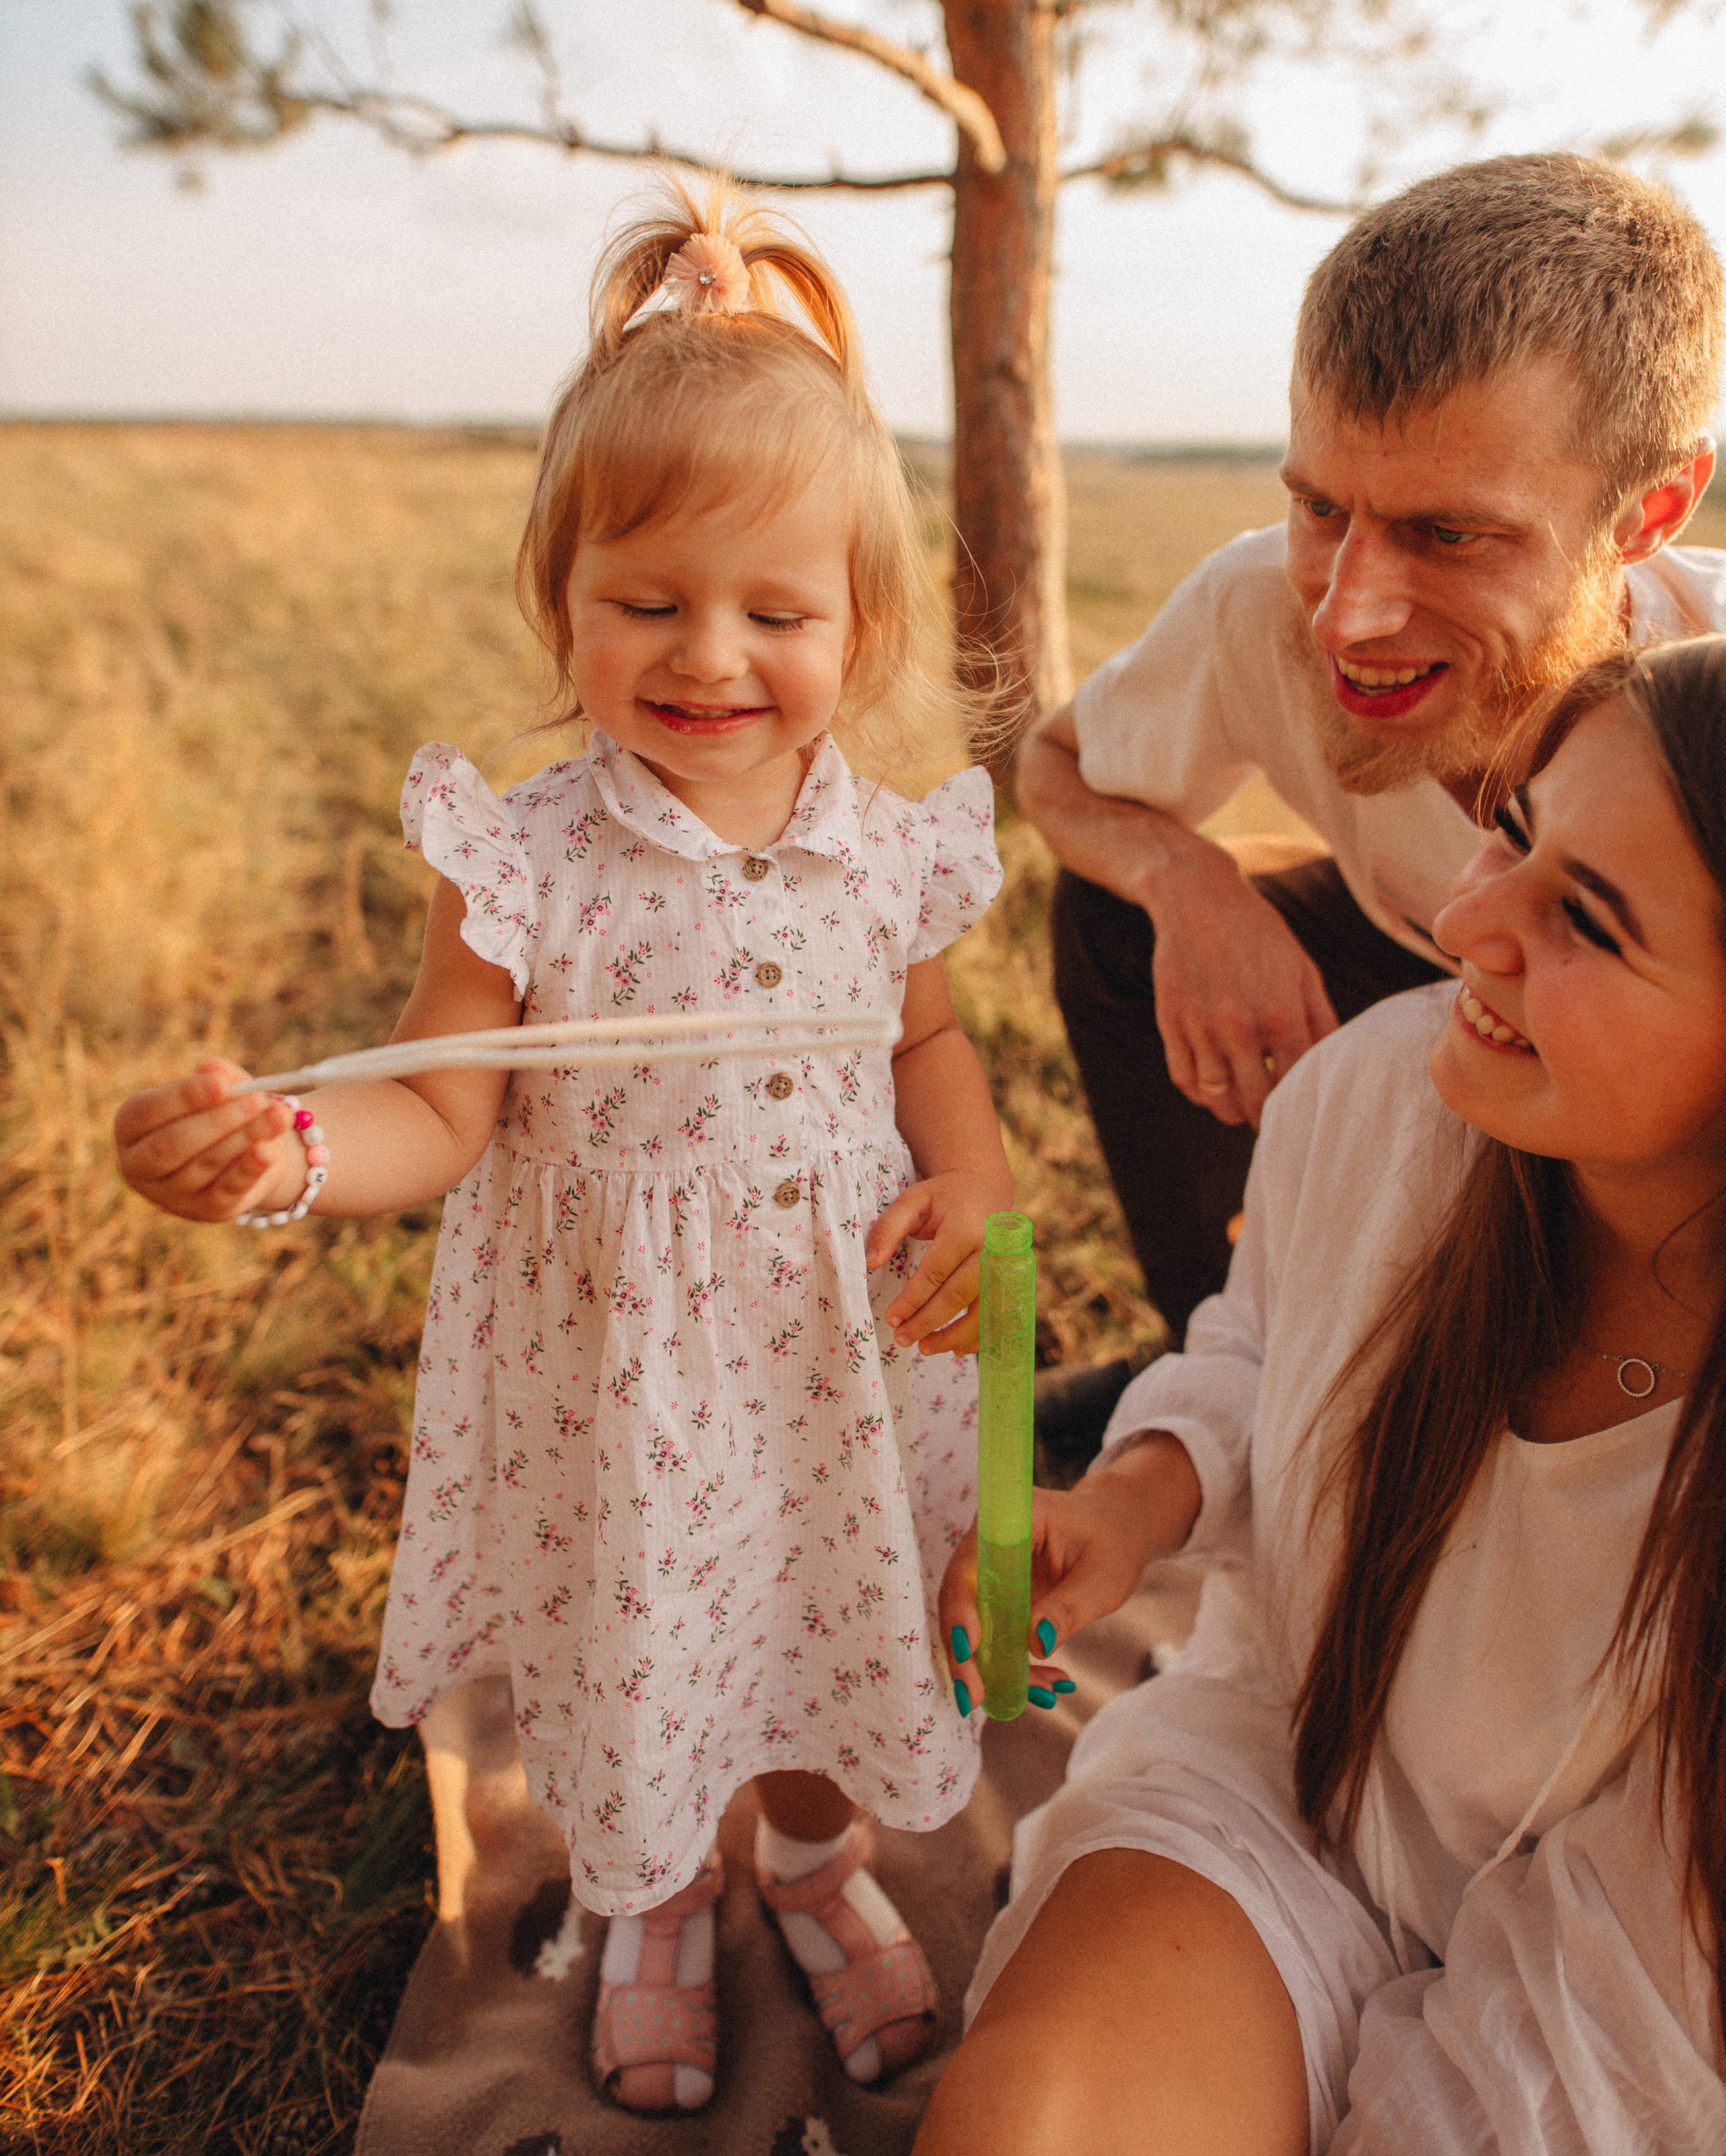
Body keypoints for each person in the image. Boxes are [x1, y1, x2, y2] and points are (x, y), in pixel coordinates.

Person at [113, 175, 1015, 2117]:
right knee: (654, 1652)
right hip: (625, 1375)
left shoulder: (894, 848)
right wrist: (279, 1150)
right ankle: (658, 1894)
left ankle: (807, 1858)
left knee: (825, 1630)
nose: (710, 654)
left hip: (835, 1352)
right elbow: (442, 1108)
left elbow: (925, 1044)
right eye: (647, 601)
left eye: (775, 609)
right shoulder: (525, 859)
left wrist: (990, 1192)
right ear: (564, 601)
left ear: (856, 631)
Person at [927, 636, 1726, 2155]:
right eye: (1512, 833)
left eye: (1588, 923)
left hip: (1638, 1980)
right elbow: (1252, 1343)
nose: (1468, 920)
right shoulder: (1379, 1094)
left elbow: (1631, 2014)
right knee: (1026, 2129)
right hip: (1286, 1767)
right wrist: (1129, 1496)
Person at [1020, 155, 1726, 1349]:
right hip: (1420, 978)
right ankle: (1224, 1362)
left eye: (1447, 533)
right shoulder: (1259, 609)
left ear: (1649, 513)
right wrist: (1186, 885)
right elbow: (1058, 766)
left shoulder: (1709, 701)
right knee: (1112, 921)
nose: (1346, 615)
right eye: (1321, 508)